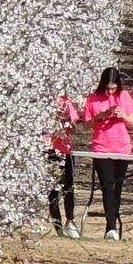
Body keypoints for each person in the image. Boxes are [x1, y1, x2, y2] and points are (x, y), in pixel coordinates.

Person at [81, 67, 133, 240]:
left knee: (117, 187)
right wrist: (100, 116)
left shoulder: (124, 96)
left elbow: (132, 124)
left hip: (122, 147)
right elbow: (86, 125)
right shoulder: (93, 99)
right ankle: (110, 227)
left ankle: (113, 223)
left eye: (113, 88)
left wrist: (122, 116)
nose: (111, 92)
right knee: (107, 186)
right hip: (101, 147)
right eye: (108, 88)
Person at [47, 92, 80, 237]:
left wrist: (67, 124)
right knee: (52, 189)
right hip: (49, 149)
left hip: (65, 149)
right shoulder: (42, 102)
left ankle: (70, 220)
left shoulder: (67, 103)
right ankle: (57, 225)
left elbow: (73, 127)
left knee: (68, 187)